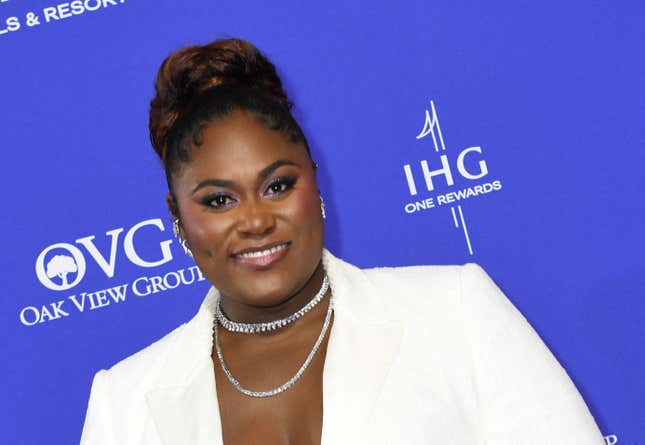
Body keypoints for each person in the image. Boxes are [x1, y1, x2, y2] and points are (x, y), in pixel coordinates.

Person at [80, 38, 606, 444]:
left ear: (315, 180)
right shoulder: (124, 400)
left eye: (278, 185)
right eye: (219, 200)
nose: (256, 220)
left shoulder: (454, 310)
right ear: (177, 219)